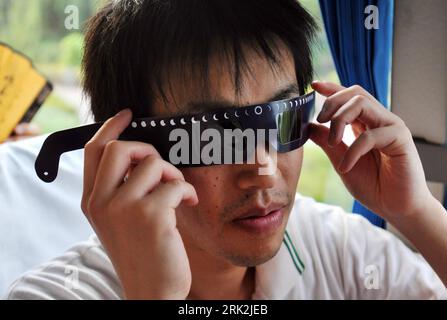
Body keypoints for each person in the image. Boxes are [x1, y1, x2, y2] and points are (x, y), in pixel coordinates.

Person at [6, 0, 447, 300]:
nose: (264, 170)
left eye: (282, 119)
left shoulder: (339, 251)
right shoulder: (58, 292)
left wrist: (417, 213)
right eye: (213, 136)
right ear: (129, 151)